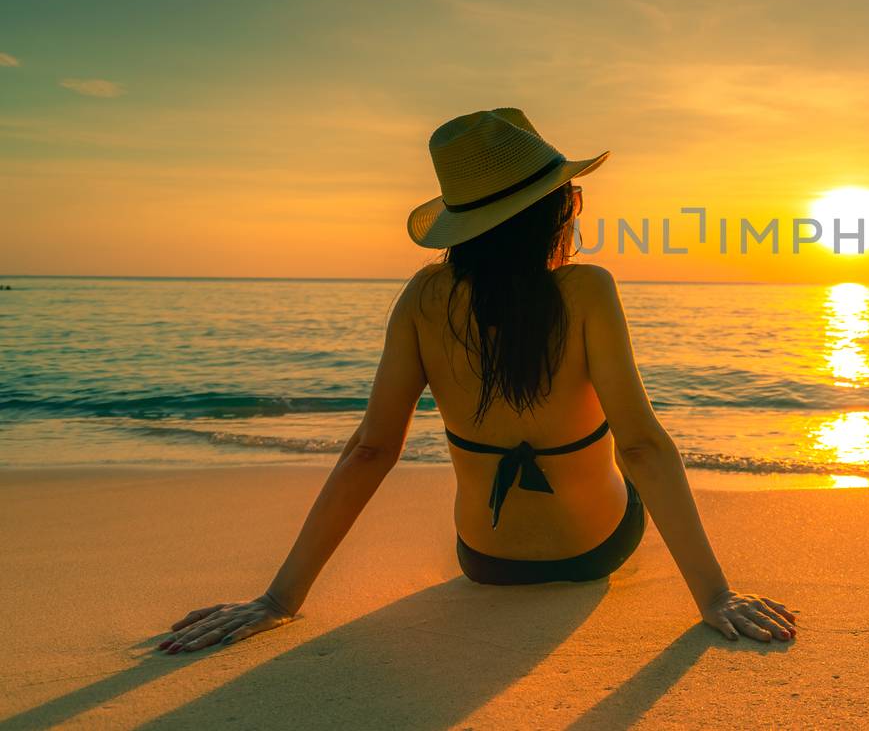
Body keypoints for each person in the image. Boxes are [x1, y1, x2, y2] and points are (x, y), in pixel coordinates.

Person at [160, 108, 796, 653]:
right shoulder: (587, 290)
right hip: (597, 550)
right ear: (556, 210)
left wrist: (278, 598)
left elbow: (371, 451)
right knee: (621, 462)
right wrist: (715, 595)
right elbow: (642, 446)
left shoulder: (423, 297)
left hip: (486, 562)